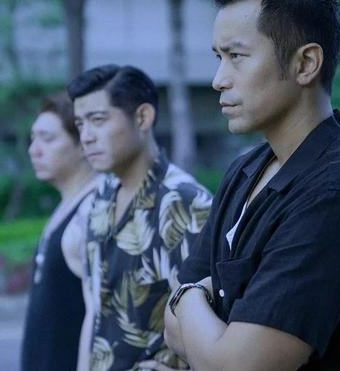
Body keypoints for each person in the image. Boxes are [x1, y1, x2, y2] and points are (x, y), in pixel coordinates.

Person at [163, 0, 340, 371]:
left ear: (305, 63)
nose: (219, 79)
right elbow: (169, 326)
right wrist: (192, 304)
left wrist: (187, 299)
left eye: (237, 57)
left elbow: (239, 366)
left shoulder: (339, 192)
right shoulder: (245, 170)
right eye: (219, 57)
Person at [67, 64, 213, 370]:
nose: (86, 137)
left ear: (143, 117)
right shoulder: (102, 194)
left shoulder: (186, 202)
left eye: (98, 120)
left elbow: (216, 317)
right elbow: (95, 309)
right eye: (80, 124)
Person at [21, 92, 99, 371]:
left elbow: (99, 314)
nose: (34, 150)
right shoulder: (67, 205)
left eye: (48, 139)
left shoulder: (93, 210)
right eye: (33, 138)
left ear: (82, 144)